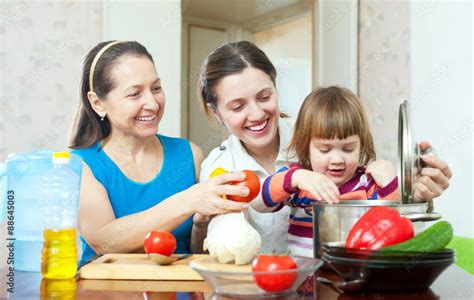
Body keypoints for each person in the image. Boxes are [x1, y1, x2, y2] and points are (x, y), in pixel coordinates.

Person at [197, 41, 452, 254]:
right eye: (238, 106)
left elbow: (393, 218)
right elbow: (247, 213)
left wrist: (416, 194)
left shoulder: (319, 131)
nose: (256, 113)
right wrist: (294, 177)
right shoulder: (219, 167)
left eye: (265, 97)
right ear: (216, 111)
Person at [70, 40, 249, 267]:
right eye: (135, 94)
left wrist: (201, 225)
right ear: (98, 103)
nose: (152, 103)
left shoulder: (189, 155)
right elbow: (105, 242)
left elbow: (197, 252)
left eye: (156, 88)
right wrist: (187, 201)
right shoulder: (82, 165)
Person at [256, 86, 399, 257]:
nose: (337, 159)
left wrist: (390, 185)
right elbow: (258, 202)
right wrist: (295, 177)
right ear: (305, 147)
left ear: (361, 146)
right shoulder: (301, 180)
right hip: (304, 278)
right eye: (325, 150)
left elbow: (390, 228)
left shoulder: (367, 184)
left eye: (348, 149)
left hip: (352, 277)